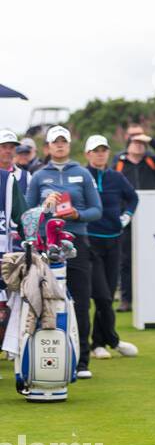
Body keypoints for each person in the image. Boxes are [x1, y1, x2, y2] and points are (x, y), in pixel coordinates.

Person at [26, 126, 103, 380]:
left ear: (69, 145)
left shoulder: (82, 173)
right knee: (45, 297)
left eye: (64, 141)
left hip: (77, 241)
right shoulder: (38, 176)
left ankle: (81, 361)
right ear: (47, 147)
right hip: (46, 244)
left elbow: (97, 210)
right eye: (55, 142)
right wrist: (44, 207)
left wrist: (77, 214)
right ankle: (48, 356)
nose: (59, 145)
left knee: (81, 298)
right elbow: (28, 214)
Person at [84, 134, 139, 361]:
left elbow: (133, 198)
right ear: (87, 154)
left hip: (114, 240)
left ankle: (99, 343)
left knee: (106, 295)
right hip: (89, 241)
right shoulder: (82, 175)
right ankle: (112, 339)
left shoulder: (116, 177)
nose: (100, 154)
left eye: (103, 150)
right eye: (95, 150)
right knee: (103, 296)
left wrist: (126, 217)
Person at [113, 122, 155, 312]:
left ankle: (153, 295)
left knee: (154, 257)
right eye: (135, 142)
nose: (138, 145)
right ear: (128, 145)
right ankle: (126, 300)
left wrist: (150, 139)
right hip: (127, 217)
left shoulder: (150, 161)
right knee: (125, 260)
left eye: (142, 143)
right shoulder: (119, 162)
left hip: (152, 218)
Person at [0, 130, 30, 351]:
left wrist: (34, 238)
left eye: (12, 147)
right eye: (4, 146)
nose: (9, 151)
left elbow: (22, 216)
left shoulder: (8, 180)